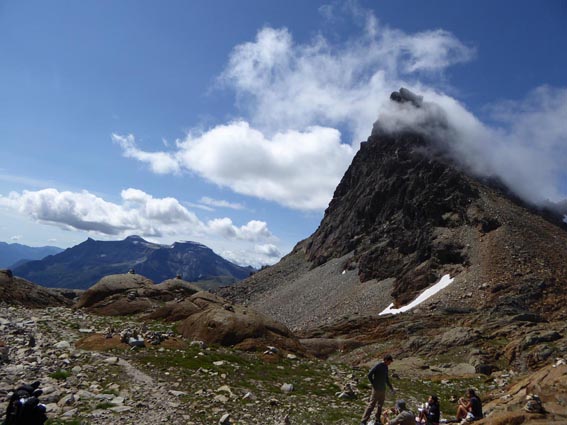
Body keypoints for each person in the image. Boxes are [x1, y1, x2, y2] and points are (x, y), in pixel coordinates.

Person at [361, 354, 395, 425]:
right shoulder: (378, 365)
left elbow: (386, 379)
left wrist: (391, 388)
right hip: (376, 389)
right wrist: (373, 384)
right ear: (385, 360)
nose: (389, 363)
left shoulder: (386, 367)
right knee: (371, 405)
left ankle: (377, 419)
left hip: (383, 389)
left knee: (380, 405)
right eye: (389, 362)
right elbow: (369, 374)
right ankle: (363, 421)